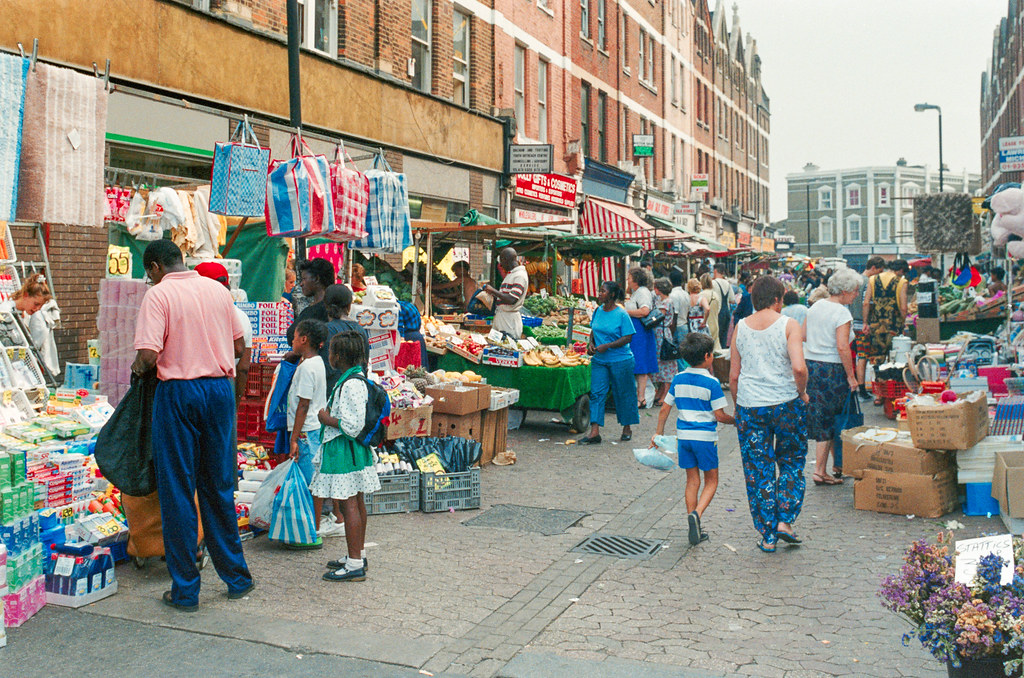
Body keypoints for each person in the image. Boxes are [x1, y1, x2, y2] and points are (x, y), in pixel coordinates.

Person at [131, 239, 253, 611]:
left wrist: (136, 372)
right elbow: (237, 346)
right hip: (219, 391)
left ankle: (186, 591)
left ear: (153, 267)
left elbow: (148, 355)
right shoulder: (216, 290)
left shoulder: (158, 295)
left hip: (180, 394)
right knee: (217, 485)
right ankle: (237, 579)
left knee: (179, 490)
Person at [728, 275, 808, 554]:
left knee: (758, 469)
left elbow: (734, 376)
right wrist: (803, 393)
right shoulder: (789, 325)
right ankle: (785, 521)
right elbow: (799, 368)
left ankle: (768, 535)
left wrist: (738, 406)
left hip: (751, 406)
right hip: (786, 403)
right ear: (777, 299)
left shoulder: (740, 327)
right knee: (791, 462)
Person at [653, 332, 734, 545]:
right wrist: (735, 421)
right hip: (705, 438)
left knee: (692, 480)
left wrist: (658, 433)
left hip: (684, 438)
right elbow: (719, 416)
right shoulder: (712, 383)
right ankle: (696, 515)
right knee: (712, 480)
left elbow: (665, 408)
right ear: (707, 356)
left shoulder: (678, 379)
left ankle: (694, 524)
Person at [315, 332, 382, 582]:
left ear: (338, 356)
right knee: (356, 503)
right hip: (353, 452)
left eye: (331, 351)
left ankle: (354, 564)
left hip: (345, 451)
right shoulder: (355, 378)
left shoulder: (351, 384)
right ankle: (358, 555)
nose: (328, 356)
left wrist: (326, 419)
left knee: (349, 504)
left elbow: (352, 426)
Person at [803, 268, 862, 484]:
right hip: (832, 369)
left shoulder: (816, 305)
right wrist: (851, 377)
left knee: (823, 416)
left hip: (813, 366)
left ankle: (837, 465)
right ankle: (820, 470)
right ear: (845, 291)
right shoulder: (842, 313)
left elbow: (803, 335)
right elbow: (842, 347)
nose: (857, 294)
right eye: (855, 290)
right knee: (834, 418)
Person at [578, 281, 639, 444]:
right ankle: (595, 431)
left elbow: (628, 337)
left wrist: (608, 346)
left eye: (603, 291)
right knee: (597, 393)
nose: (599, 294)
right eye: (599, 290)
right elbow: (594, 330)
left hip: (621, 360)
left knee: (624, 393)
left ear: (612, 295)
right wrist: (591, 344)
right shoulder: (598, 311)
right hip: (600, 360)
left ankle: (627, 427)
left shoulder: (621, 314)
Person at [195, 262, 252, 405]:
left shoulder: (191, 314)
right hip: (226, 385)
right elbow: (243, 368)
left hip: (192, 384)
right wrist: (236, 406)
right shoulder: (242, 317)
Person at [288, 319, 329, 494]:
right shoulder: (317, 362)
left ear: (303, 339)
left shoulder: (306, 368)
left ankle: (311, 518)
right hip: (314, 428)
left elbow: (303, 406)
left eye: (295, 337)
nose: (292, 341)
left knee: (308, 482)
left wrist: (294, 439)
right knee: (314, 478)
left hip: (306, 431)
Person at [862, 259, 909, 401]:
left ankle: (879, 395)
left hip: (876, 325)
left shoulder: (872, 280)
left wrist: (865, 322)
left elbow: (866, 303)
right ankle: (894, 393)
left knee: (877, 360)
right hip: (893, 326)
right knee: (895, 359)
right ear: (900, 271)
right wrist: (903, 322)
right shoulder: (901, 282)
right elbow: (903, 307)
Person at [1, 274, 60, 376]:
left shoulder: (29, 316)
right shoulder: (6, 311)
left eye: (40, 306)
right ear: (26, 295)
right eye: (36, 304)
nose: (37, 309)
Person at [321, 284, 370, 392]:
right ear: (349, 306)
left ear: (326, 305)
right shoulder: (360, 330)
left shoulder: (326, 330)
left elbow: (326, 368)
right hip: (357, 389)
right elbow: (364, 364)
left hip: (332, 390)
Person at [625, 267, 658, 409]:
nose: (627, 279)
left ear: (636, 279)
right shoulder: (637, 292)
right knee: (637, 363)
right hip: (636, 331)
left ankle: (641, 398)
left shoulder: (643, 292)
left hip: (640, 331)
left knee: (641, 365)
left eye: (629, 277)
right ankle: (638, 397)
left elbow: (645, 311)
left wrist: (625, 312)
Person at [853, 257, 886, 401]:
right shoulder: (868, 282)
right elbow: (866, 303)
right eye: (879, 271)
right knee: (863, 356)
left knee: (860, 355)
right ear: (873, 268)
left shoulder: (855, 280)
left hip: (853, 322)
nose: (879, 275)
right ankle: (862, 389)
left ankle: (860, 387)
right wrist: (867, 321)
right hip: (863, 324)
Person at [483, 247, 529, 339]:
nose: (500, 264)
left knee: (507, 348)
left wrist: (493, 291)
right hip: (502, 317)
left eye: (501, 261)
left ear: (505, 259)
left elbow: (512, 299)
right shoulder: (511, 274)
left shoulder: (519, 276)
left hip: (509, 321)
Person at [287, 258, 335, 343]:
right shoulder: (325, 307)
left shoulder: (321, 310)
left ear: (316, 279)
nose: (301, 284)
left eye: (304, 279)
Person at [651, 277, 677, 407]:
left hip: (662, 333)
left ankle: (666, 393)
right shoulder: (660, 300)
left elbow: (657, 318)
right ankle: (661, 391)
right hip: (659, 333)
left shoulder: (666, 302)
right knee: (660, 363)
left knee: (665, 363)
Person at [668, 270, 690, 369]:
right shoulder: (686, 294)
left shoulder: (673, 295)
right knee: (685, 353)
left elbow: (674, 315)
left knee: (677, 355)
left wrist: (671, 333)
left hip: (677, 327)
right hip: (685, 325)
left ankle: (682, 374)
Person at [398, 299, 427, 367]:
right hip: (418, 336)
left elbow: (400, 326)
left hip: (410, 337)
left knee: (413, 366)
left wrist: (401, 340)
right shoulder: (408, 304)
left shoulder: (397, 308)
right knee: (422, 365)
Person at [712, 264, 735, 348]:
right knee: (724, 338)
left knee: (716, 336)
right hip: (727, 313)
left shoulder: (713, 283)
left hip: (718, 313)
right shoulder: (727, 283)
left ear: (715, 271)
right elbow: (732, 300)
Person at [700, 273, 721, 350]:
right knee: (715, 348)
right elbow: (718, 309)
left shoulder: (701, 295)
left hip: (705, 324)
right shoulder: (715, 294)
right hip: (715, 323)